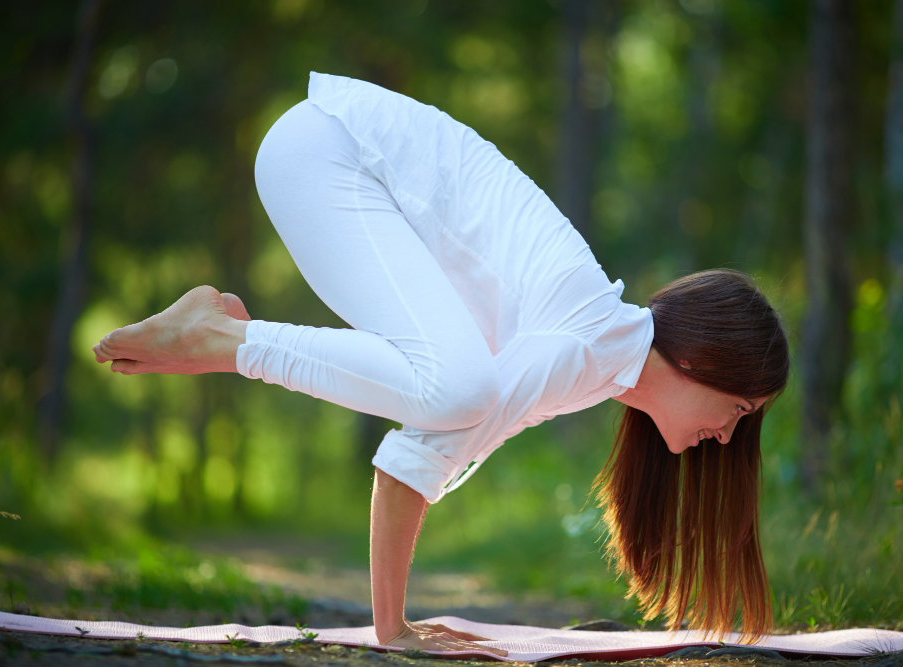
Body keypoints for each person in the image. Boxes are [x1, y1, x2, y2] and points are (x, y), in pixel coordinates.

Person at [92, 73, 789, 653]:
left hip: (327, 153)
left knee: (457, 389)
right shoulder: (588, 346)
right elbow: (412, 463)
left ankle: (223, 336)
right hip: (328, 152)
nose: (727, 436)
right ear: (701, 358)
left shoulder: (593, 357)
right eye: (738, 411)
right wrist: (393, 630)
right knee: (457, 386)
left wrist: (395, 621)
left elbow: (431, 452)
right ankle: (221, 337)